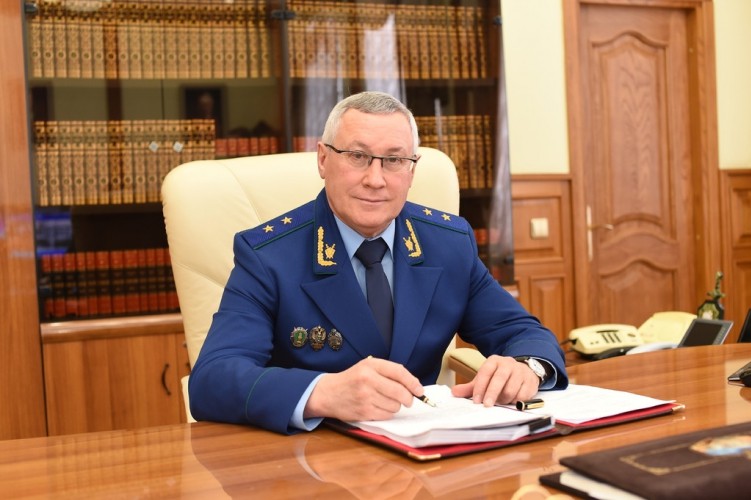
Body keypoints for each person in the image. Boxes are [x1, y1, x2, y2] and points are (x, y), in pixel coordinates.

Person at [188, 91, 568, 434]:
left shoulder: (449, 244)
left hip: (427, 452)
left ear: (411, 170)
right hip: (314, 460)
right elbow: (212, 380)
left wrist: (528, 367)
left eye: (394, 160)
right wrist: (322, 393)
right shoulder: (268, 256)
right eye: (357, 156)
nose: (375, 179)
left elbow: (521, 331)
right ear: (323, 159)